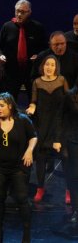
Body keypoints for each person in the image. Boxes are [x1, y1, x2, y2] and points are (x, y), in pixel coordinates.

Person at [0, 92, 37, 243]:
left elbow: (33, 136)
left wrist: (29, 151)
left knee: (21, 198)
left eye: (1, 105)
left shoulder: (22, 120)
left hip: (18, 167)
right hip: (0, 167)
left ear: (9, 105)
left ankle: (26, 232)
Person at [25, 55, 69, 202]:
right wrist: (31, 108)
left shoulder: (62, 80)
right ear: (42, 66)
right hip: (42, 123)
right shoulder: (37, 82)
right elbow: (33, 101)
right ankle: (40, 188)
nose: (49, 67)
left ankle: (69, 190)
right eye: (46, 65)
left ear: (56, 67)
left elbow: (69, 100)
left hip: (58, 123)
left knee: (65, 157)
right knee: (41, 158)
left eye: (52, 65)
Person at [0, 0, 46, 100]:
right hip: (11, 71)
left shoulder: (37, 28)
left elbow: (45, 48)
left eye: (22, 12)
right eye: (17, 11)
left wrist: (38, 56)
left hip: (31, 71)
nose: (19, 14)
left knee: (34, 101)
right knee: (10, 101)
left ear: (29, 12)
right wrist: (0, 55)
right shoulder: (7, 27)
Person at [61, 78, 78, 222]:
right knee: (74, 176)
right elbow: (60, 118)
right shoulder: (69, 96)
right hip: (73, 140)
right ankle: (76, 209)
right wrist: (59, 140)